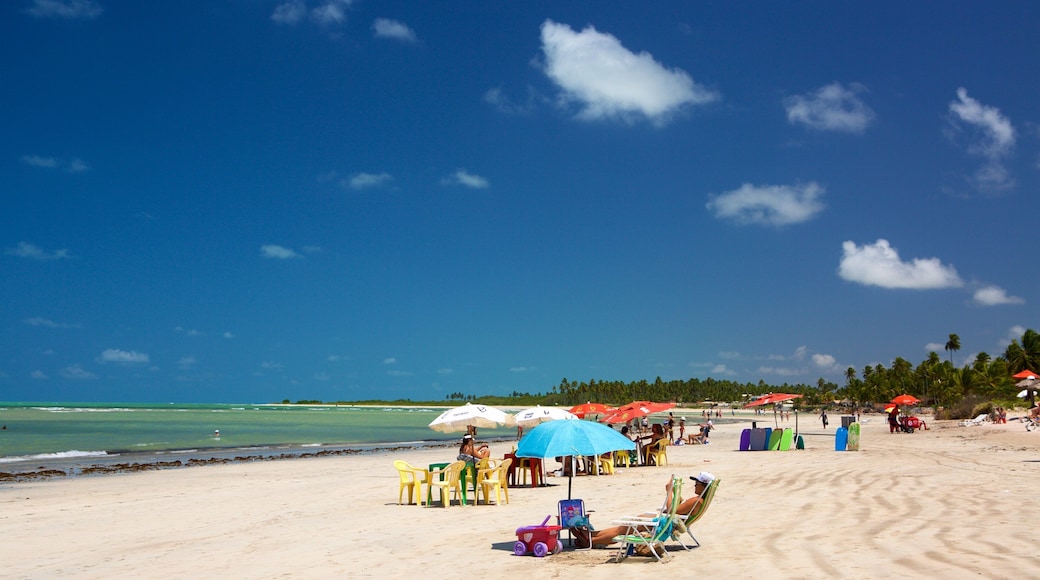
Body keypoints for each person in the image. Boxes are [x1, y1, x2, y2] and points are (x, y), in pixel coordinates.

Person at [580, 472, 716, 549]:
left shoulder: (696, 501)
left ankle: (591, 541)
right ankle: (592, 535)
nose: (695, 486)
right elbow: (678, 507)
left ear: (704, 486)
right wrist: (675, 494)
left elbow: (670, 511)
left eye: (697, 484)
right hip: (665, 522)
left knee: (624, 529)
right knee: (624, 527)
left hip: (663, 524)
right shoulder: (699, 501)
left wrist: (669, 492)